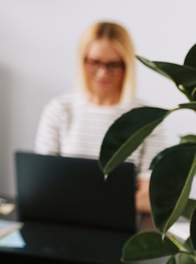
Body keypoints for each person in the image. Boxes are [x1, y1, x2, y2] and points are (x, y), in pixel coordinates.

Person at [33, 21, 167, 214]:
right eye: (95, 62)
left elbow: (148, 198)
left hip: (119, 225)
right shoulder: (60, 109)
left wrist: (89, 205)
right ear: (83, 60)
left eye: (113, 65)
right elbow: (42, 182)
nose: (103, 73)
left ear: (126, 65)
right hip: (66, 220)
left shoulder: (147, 119)